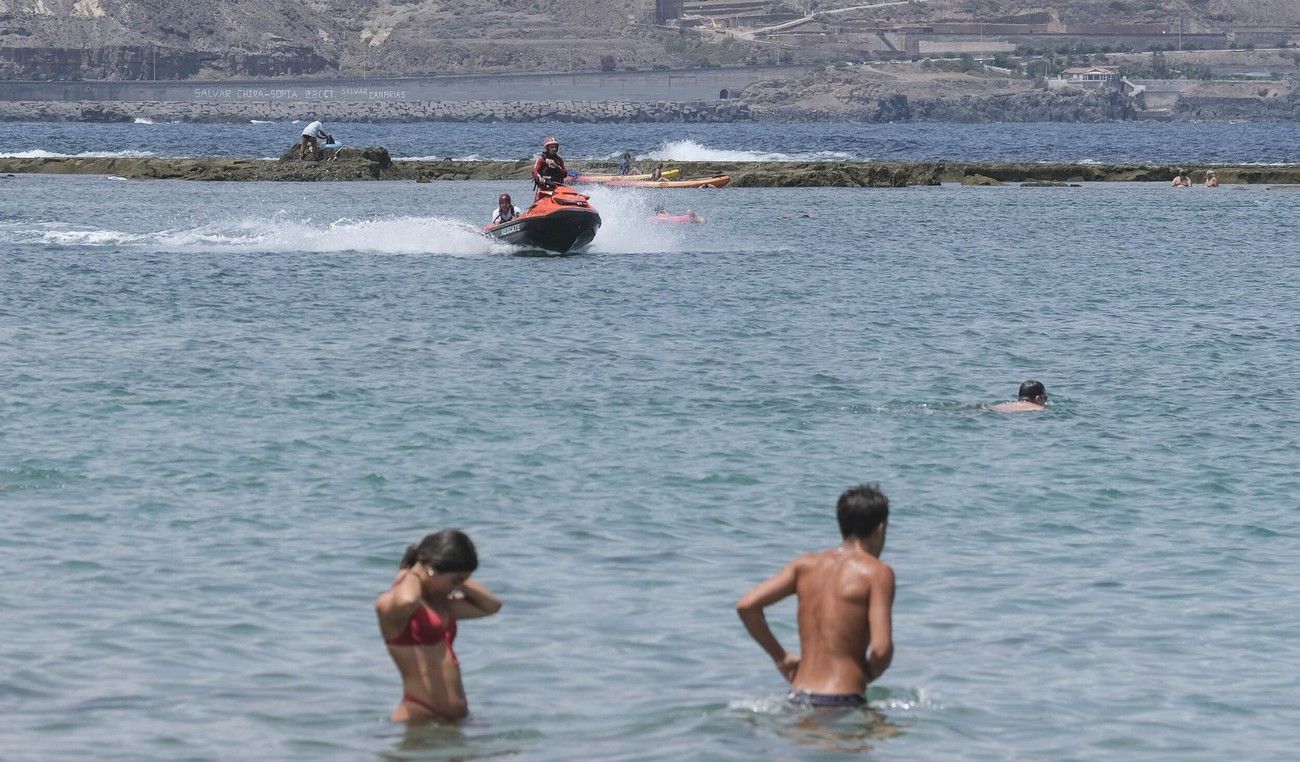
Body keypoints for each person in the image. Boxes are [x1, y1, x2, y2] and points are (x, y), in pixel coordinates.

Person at [737, 484, 895, 709]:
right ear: (880, 529)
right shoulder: (877, 573)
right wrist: (864, 675)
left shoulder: (804, 566)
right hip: (845, 698)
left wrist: (780, 657)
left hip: (799, 696)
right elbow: (881, 650)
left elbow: (747, 606)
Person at [375, 530, 502, 723]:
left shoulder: (441, 604)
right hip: (420, 715)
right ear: (432, 569)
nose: (457, 587)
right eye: (455, 581)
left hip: (454, 719)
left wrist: (459, 581)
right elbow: (407, 600)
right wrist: (416, 572)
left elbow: (492, 605)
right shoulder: (391, 606)